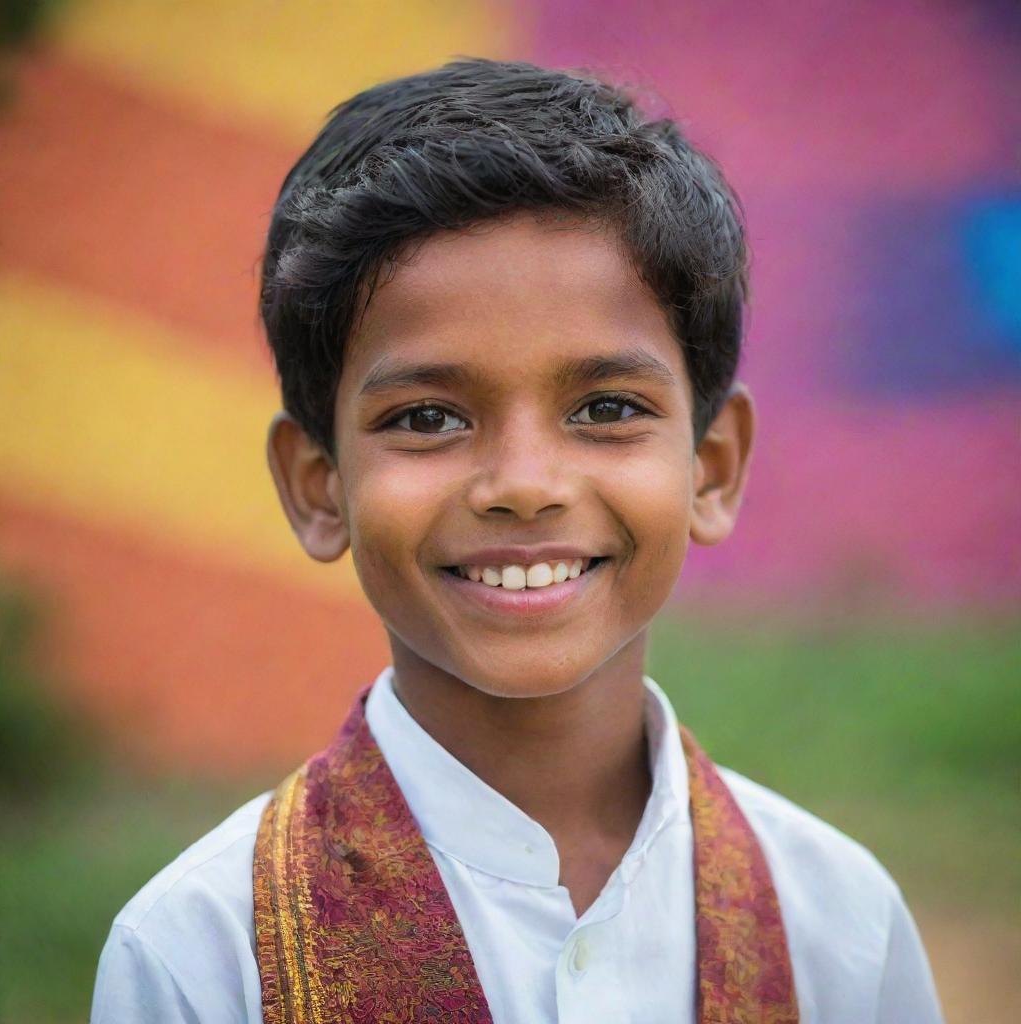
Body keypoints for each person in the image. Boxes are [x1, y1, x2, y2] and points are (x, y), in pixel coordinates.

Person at [92, 58, 944, 1023]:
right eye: (426, 419)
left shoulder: (838, 924)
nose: (524, 486)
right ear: (318, 484)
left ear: (710, 467)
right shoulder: (202, 960)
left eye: (608, 408)